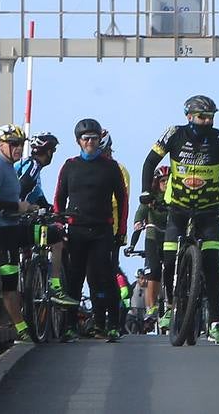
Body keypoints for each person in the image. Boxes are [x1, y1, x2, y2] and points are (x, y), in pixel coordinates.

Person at [139, 94, 219, 347]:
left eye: (210, 117)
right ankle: (169, 305)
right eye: (202, 117)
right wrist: (146, 191)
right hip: (178, 209)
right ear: (189, 116)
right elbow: (150, 161)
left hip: (209, 211)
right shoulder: (174, 134)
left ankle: (216, 323)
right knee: (167, 259)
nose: (207, 121)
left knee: (211, 263)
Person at [54, 118, 129, 342]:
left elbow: (122, 200)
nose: (90, 142)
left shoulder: (111, 167)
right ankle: (69, 326)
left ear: (99, 141)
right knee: (74, 279)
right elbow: (59, 198)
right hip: (76, 230)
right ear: (78, 141)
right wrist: (59, 224)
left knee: (103, 278)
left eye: (94, 139)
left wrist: (121, 230)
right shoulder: (70, 165)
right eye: (86, 139)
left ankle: (108, 325)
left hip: (102, 230)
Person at [0, 123, 35, 342]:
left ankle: (47, 283)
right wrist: (17, 207)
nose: (18, 149)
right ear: (0, 145)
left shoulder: (10, 167)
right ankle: (21, 327)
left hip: (12, 227)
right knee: (10, 281)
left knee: (53, 235)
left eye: (21, 145)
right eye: (13, 144)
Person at [14, 132, 75, 305]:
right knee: (56, 239)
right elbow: (22, 188)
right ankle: (56, 287)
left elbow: (40, 199)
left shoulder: (28, 165)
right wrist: (25, 207)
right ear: (48, 152)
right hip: (18, 221)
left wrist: (54, 211)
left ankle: (27, 279)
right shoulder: (33, 166)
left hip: (13, 221)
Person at [128, 165, 170, 329]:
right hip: (153, 237)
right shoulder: (151, 196)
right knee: (153, 271)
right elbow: (141, 211)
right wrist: (138, 222)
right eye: (163, 181)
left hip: (171, 238)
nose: (166, 184)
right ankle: (151, 308)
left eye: (168, 180)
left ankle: (171, 307)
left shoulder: (176, 196)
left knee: (171, 269)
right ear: (156, 182)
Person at [99, 131, 134, 324]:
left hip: (113, 227)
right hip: (93, 226)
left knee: (110, 269)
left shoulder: (120, 169)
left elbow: (121, 199)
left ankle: (122, 299)